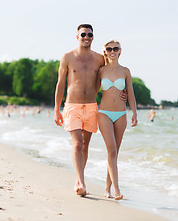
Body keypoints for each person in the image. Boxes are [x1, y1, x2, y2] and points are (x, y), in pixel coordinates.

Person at [54, 24, 126, 197]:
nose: (86, 37)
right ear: (77, 36)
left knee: (85, 145)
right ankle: (80, 182)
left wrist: (121, 92)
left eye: (90, 34)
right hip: (72, 105)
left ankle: (80, 178)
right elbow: (61, 83)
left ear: (93, 37)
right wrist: (57, 108)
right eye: (83, 34)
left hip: (92, 106)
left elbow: (112, 72)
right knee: (77, 143)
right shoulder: (68, 57)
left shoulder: (99, 59)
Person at [98, 40, 138, 200]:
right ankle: (117, 190)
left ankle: (107, 189)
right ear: (105, 51)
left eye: (115, 48)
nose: (112, 51)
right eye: (109, 48)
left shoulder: (125, 71)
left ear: (120, 51)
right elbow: (90, 88)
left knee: (113, 153)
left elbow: (131, 93)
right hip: (104, 114)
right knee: (112, 151)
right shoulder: (101, 71)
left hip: (121, 114)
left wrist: (134, 112)